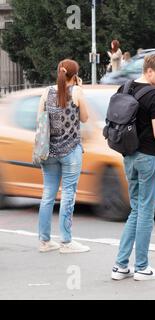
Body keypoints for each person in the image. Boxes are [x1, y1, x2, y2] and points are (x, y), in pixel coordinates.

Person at [111, 54, 155, 281]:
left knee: (135, 210)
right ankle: (142, 267)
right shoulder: (154, 96)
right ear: (150, 71)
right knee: (146, 212)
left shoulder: (124, 88)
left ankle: (120, 265)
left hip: (129, 157)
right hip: (148, 157)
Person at [37, 59, 90, 253]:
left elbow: (39, 120)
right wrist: (80, 90)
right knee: (68, 194)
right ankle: (66, 242)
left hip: (49, 151)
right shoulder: (76, 92)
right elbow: (85, 118)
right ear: (75, 75)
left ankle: (44, 241)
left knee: (48, 194)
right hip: (70, 151)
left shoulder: (46, 91)